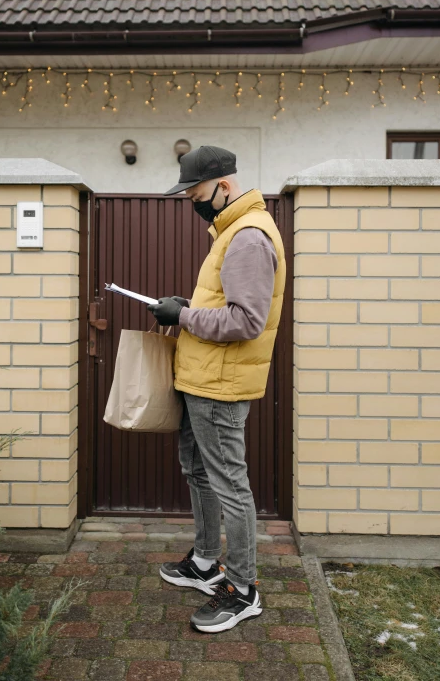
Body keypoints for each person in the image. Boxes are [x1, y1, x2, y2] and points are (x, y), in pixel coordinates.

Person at [147, 145, 286, 633]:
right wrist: (187, 305)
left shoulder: (248, 237)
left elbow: (246, 321)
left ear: (224, 186)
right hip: (202, 378)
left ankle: (243, 588)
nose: (193, 202)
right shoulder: (230, 232)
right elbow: (225, 305)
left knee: (230, 484)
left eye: (197, 193)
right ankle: (206, 563)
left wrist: (180, 315)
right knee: (199, 473)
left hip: (221, 386)